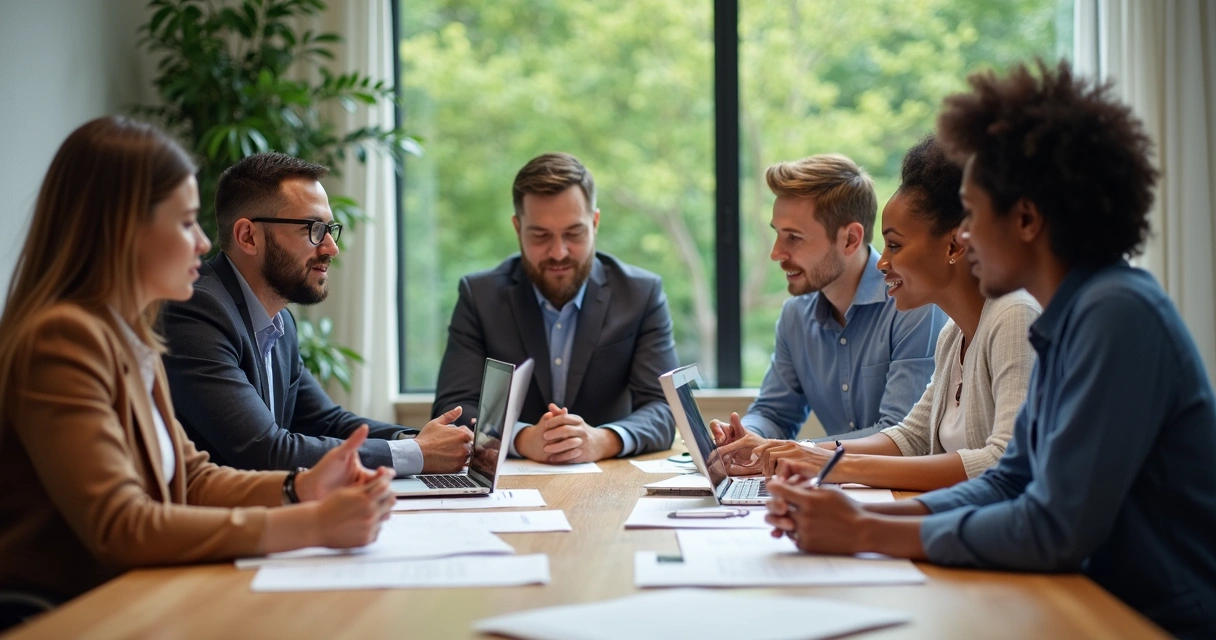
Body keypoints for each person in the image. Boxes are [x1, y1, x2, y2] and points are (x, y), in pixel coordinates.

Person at [765, 60, 1216, 637]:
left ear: (1026, 218)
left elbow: (1051, 528)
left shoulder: (1115, 314)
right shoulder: (1073, 315)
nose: (966, 236)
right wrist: (860, 513)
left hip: (1142, 621)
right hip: (1079, 602)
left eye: (974, 215)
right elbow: (1009, 479)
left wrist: (865, 531)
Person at [0, 117, 397, 611]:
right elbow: (121, 525)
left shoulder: (128, 336)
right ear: (126, 230)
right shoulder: (62, 339)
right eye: (186, 223)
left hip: (138, 595)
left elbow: (190, 478)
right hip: (68, 611)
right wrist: (308, 524)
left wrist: (300, 487)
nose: (205, 243)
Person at [736, 136, 1039, 491]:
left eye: (894, 245)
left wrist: (831, 464)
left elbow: (1004, 461)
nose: (882, 261)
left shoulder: (1015, 316)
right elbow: (911, 438)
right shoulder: (953, 335)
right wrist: (802, 455)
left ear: (955, 245)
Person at [160, 153, 473, 473]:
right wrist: (417, 453)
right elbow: (264, 450)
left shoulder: (279, 322)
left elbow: (326, 421)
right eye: (312, 228)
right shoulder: (195, 311)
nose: (330, 248)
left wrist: (426, 442)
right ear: (248, 237)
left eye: (329, 229)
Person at [432, 153, 678, 463]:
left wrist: (602, 440)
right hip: (511, 484)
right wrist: (520, 438)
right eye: (540, 236)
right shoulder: (479, 297)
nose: (559, 252)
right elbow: (451, 409)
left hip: (609, 481)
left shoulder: (641, 294)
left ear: (595, 222)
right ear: (517, 228)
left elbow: (664, 408)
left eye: (574, 234)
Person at [710, 153, 946, 455]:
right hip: (838, 486)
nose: (776, 253)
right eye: (777, 235)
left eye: (793, 238)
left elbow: (901, 434)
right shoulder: (795, 316)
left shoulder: (913, 306)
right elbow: (773, 413)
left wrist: (792, 451)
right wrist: (745, 437)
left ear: (850, 239)